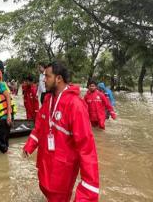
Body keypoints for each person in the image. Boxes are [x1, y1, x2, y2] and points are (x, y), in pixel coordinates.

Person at [23, 61, 99, 202]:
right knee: (46, 191)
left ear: (58, 78)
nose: (44, 79)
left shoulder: (75, 105)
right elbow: (39, 126)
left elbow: (87, 149)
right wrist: (30, 146)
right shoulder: (48, 100)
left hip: (62, 171)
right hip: (46, 164)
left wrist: (88, 192)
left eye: (47, 76)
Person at [0, 73, 17, 154]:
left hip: (6, 117)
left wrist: (8, 115)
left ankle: (4, 156)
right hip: (3, 118)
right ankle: (6, 154)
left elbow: (7, 96)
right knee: (4, 138)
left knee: (1, 141)